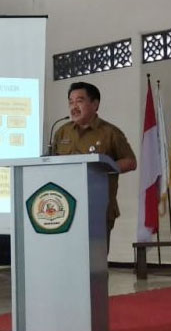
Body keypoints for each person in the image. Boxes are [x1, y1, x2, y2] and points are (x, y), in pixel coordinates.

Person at [52, 82, 137, 253]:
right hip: (64, 207)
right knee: (66, 256)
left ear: (95, 104)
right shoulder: (62, 132)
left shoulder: (110, 132)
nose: (74, 107)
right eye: (71, 102)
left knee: (95, 258)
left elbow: (130, 161)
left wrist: (103, 167)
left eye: (79, 101)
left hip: (98, 207)